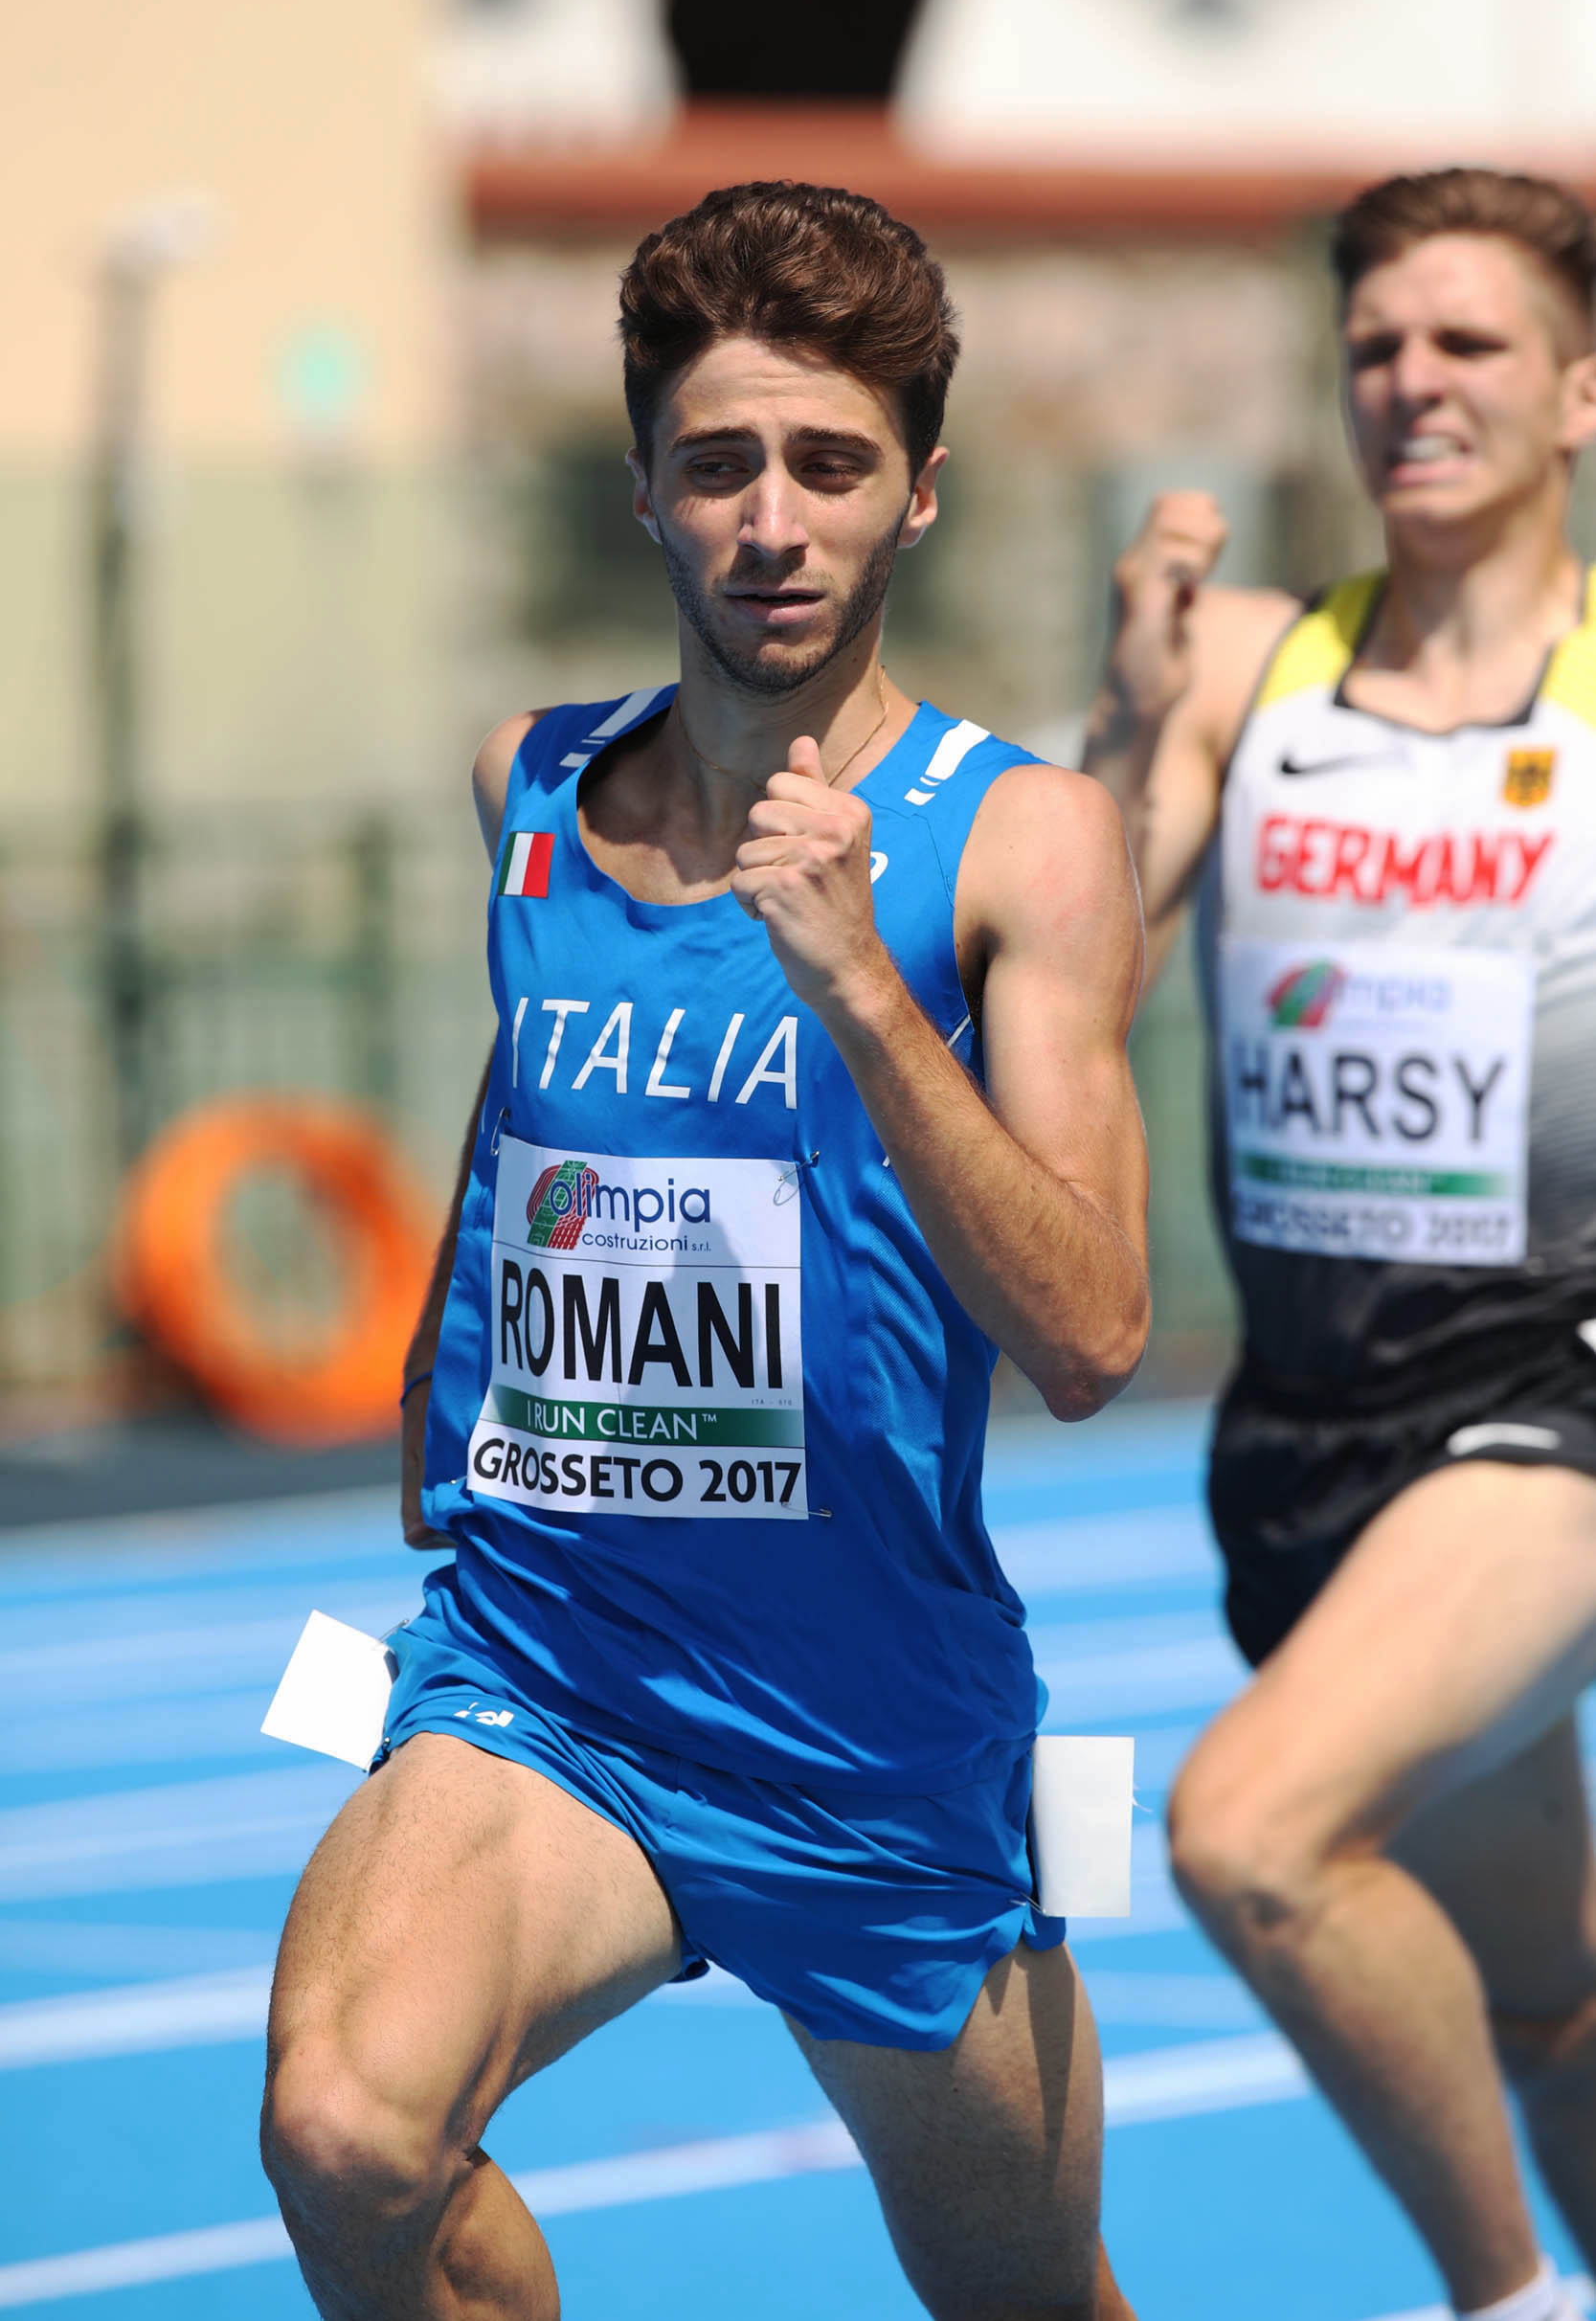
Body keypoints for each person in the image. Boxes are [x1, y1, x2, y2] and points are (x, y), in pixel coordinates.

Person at [260, 179, 1149, 2321]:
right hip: (550, 1669)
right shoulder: (530, 785)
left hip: (871, 1736)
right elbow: (539, 1113)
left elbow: (1096, 1331)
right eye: (720, 461)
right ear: (645, 486)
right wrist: (448, 1380)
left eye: (829, 464)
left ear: (916, 492)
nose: (772, 521)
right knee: (348, 2131)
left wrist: (860, 989)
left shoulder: (1020, 837)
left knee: (1030, 2301)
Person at [1084, 166, 1596, 2321]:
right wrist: (1125, 723)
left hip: (1552, 1404)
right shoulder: (1244, 663)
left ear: (1579, 390)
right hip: (1307, 1430)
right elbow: (1075, 979)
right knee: (1546, 1996)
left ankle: (1504, 2301)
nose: (1415, 381)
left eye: (1469, 340)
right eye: (1378, 343)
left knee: (1256, 1832)